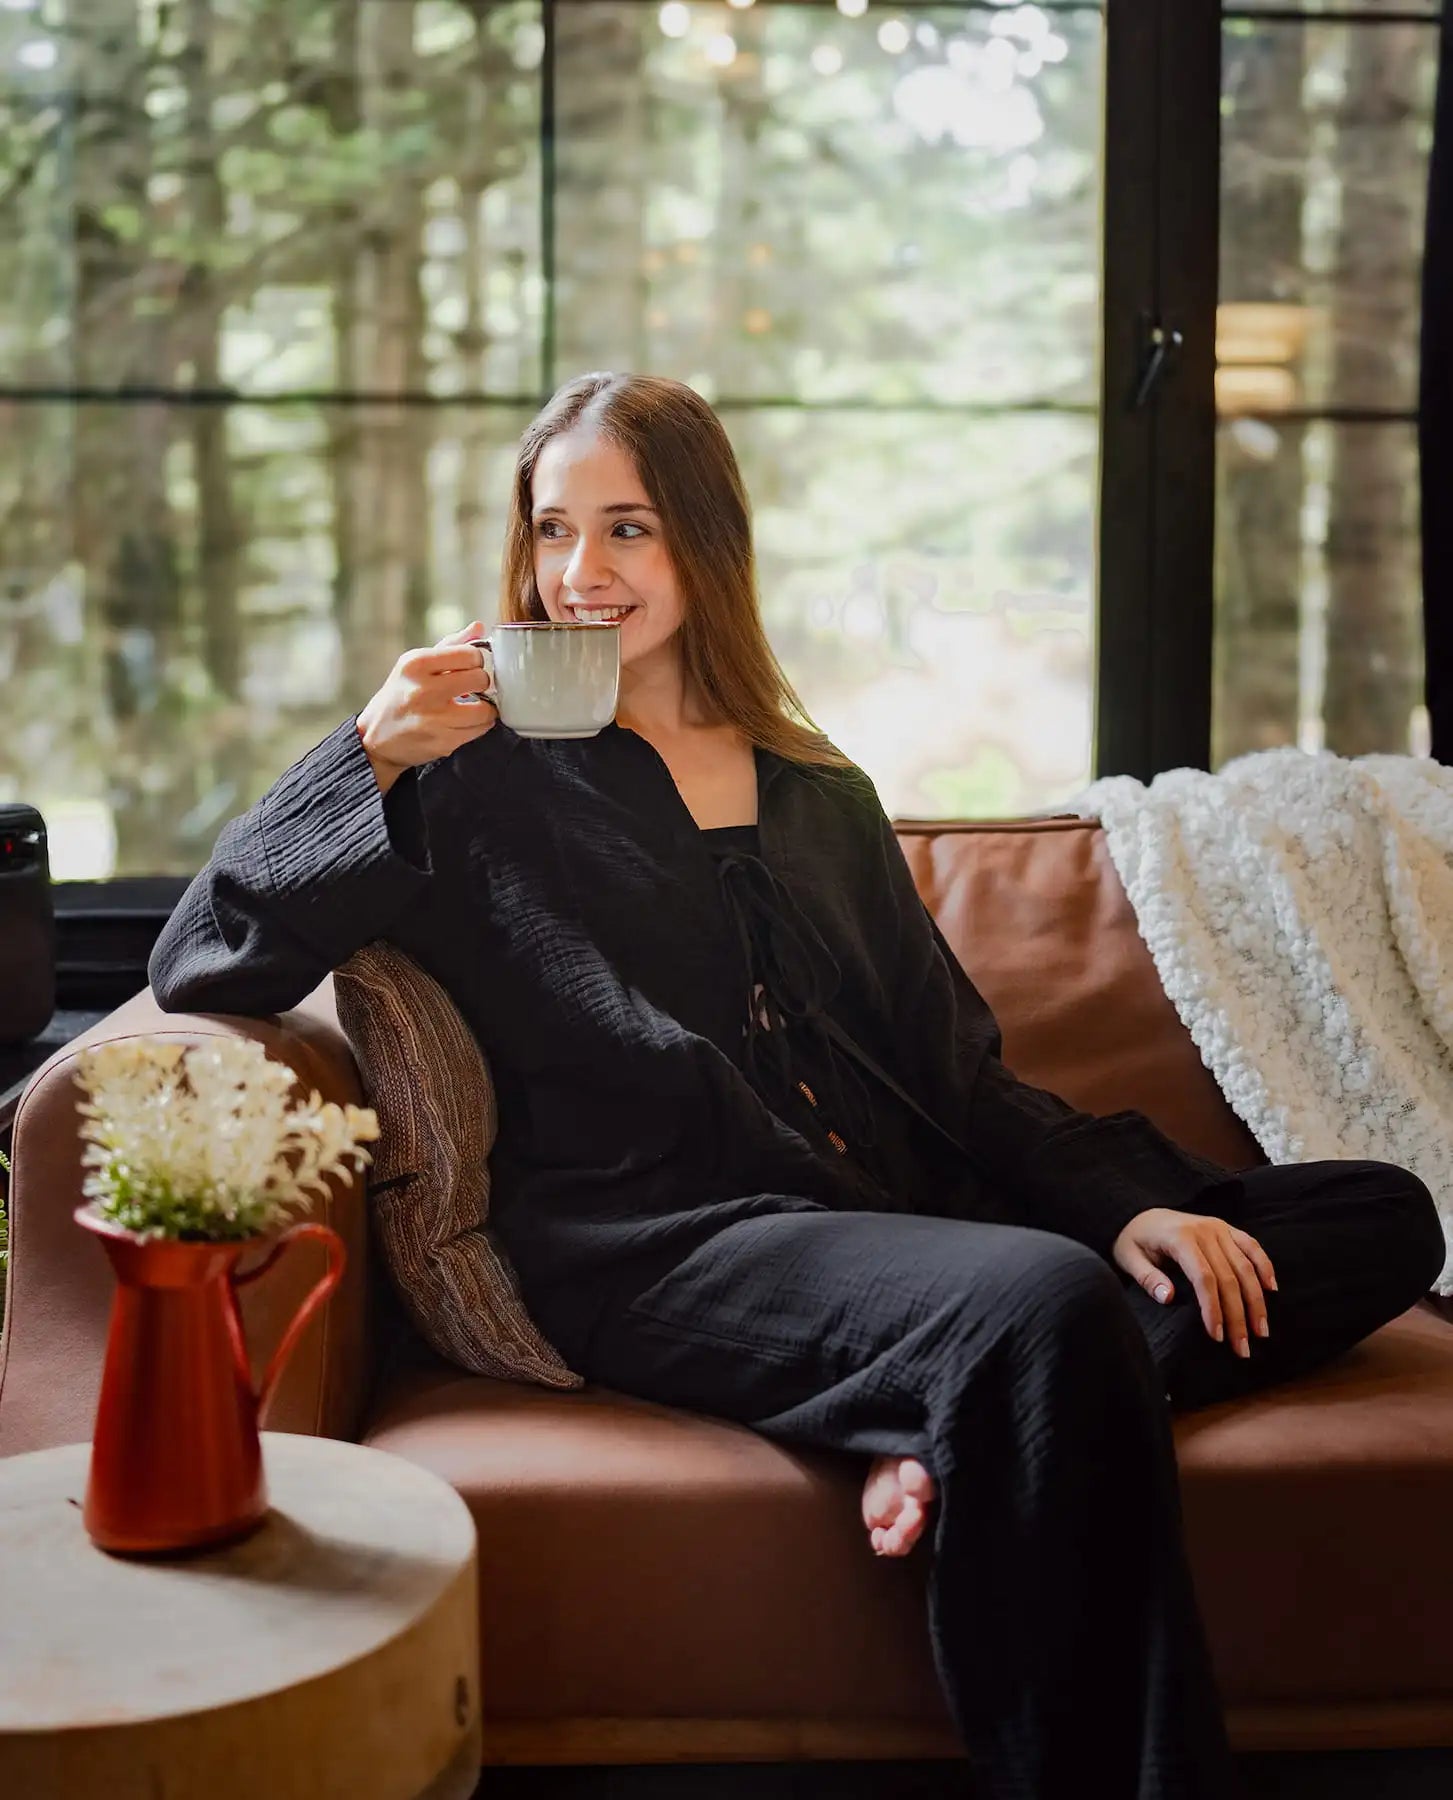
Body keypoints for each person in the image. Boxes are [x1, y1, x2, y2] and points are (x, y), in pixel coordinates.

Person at [149, 372, 1445, 1800]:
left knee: (1375, 1215)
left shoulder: (817, 793)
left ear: (705, 540)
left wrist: (1126, 1205)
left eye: (628, 528)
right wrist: (366, 754)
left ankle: (957, 1420)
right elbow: (205, 959)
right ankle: (994, 1437)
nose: (581, 571)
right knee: (1040, 1303)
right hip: (658, 1240)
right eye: (553, 529)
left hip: (892, 1217)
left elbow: (954, 1071)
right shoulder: (470, 778)